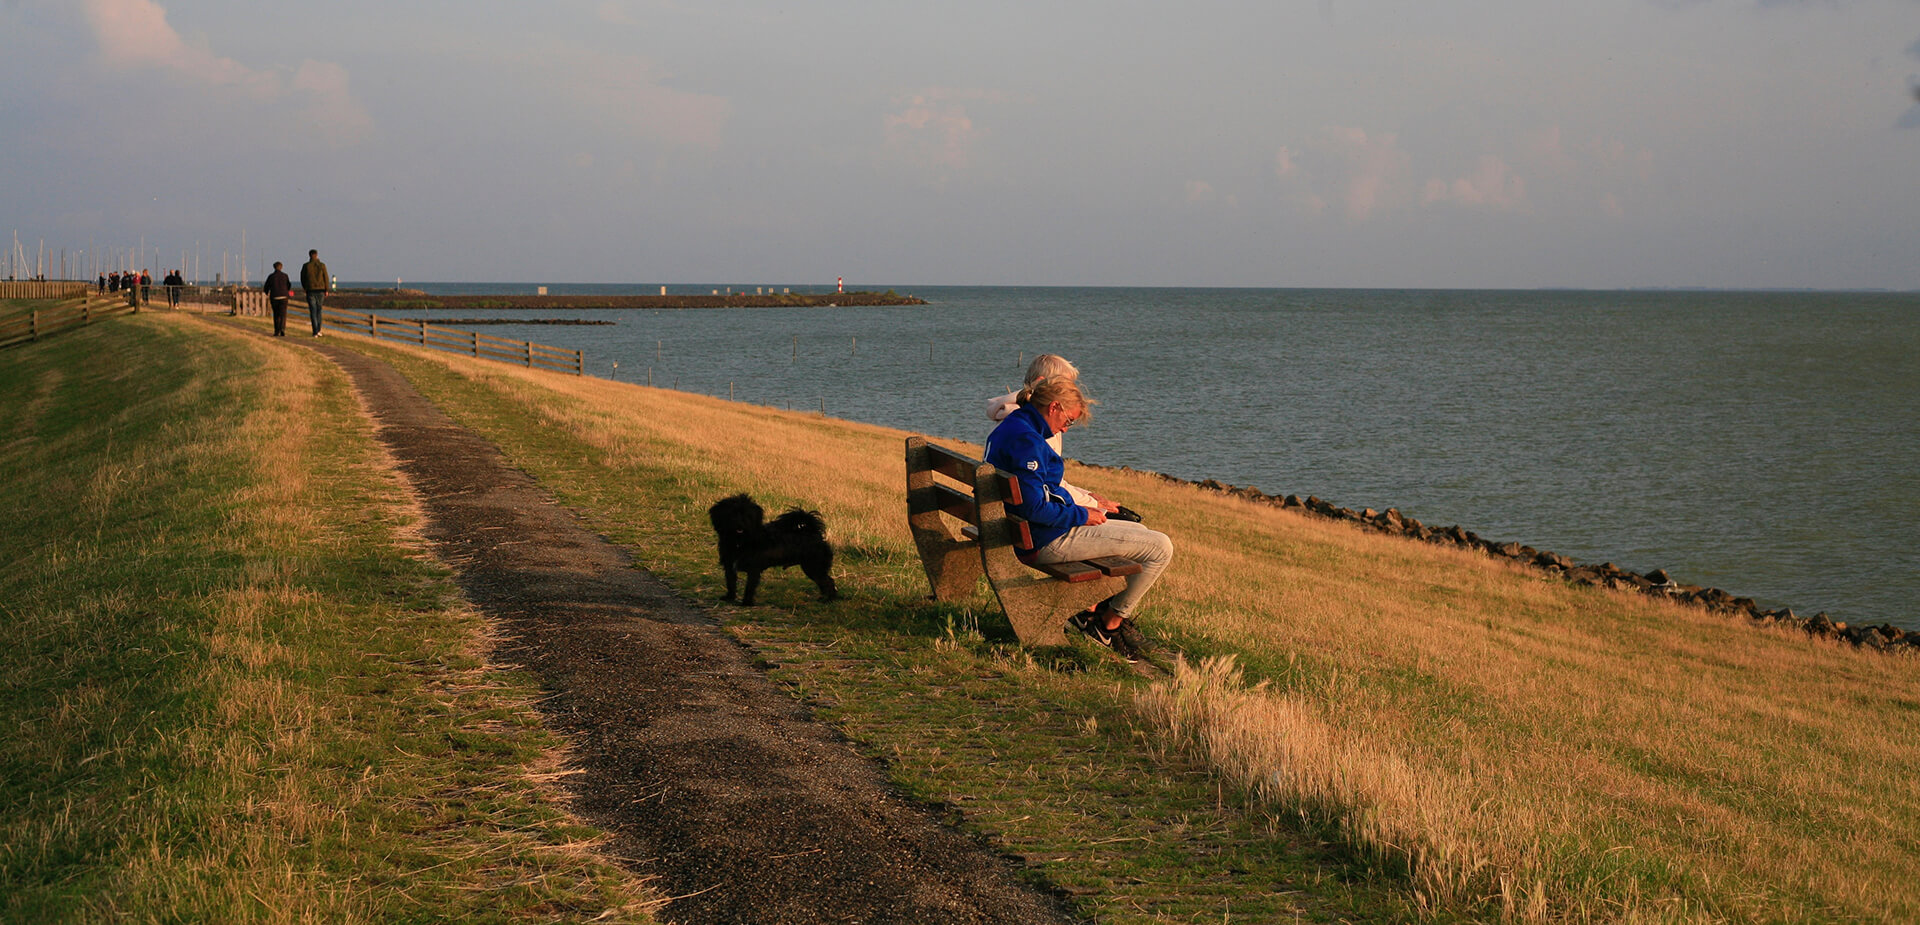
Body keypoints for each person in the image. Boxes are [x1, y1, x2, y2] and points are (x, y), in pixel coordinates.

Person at [985, 375, 1173, 660]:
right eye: (1068, 421)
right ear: (1055, 406)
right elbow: (1033, 508)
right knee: (1160, 546)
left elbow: (1038, 493)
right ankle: (1108, 626)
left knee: (1139, 530)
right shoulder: (1027, 441)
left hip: (1023, 532)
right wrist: (1081, 514)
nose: (1066, 429)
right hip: (1044, 540)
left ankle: (1089, 614)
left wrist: (1091, 504)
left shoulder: (1013, 426)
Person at [300, 249, 330, 336]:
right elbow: (326, 278)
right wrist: (326, 289)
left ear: (309, 255)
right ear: (316, 255)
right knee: (319, 310)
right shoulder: (322, 265)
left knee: (313, 311)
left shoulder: (306, 266)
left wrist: (304, 287)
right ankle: (319, 330)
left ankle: (315, 331)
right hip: (320, 290)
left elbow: (302, 278)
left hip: (310, 290)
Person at [263, 261, 292, 336]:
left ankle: (277, 330)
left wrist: (267, 293)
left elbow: (266, 287)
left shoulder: (271, 276)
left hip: (274, 297)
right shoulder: (285, 276)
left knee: (276, 314)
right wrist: (286, 291)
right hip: (284, 296)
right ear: (281, 267)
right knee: (283, 314)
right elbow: (289, 285)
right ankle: (282, 328)